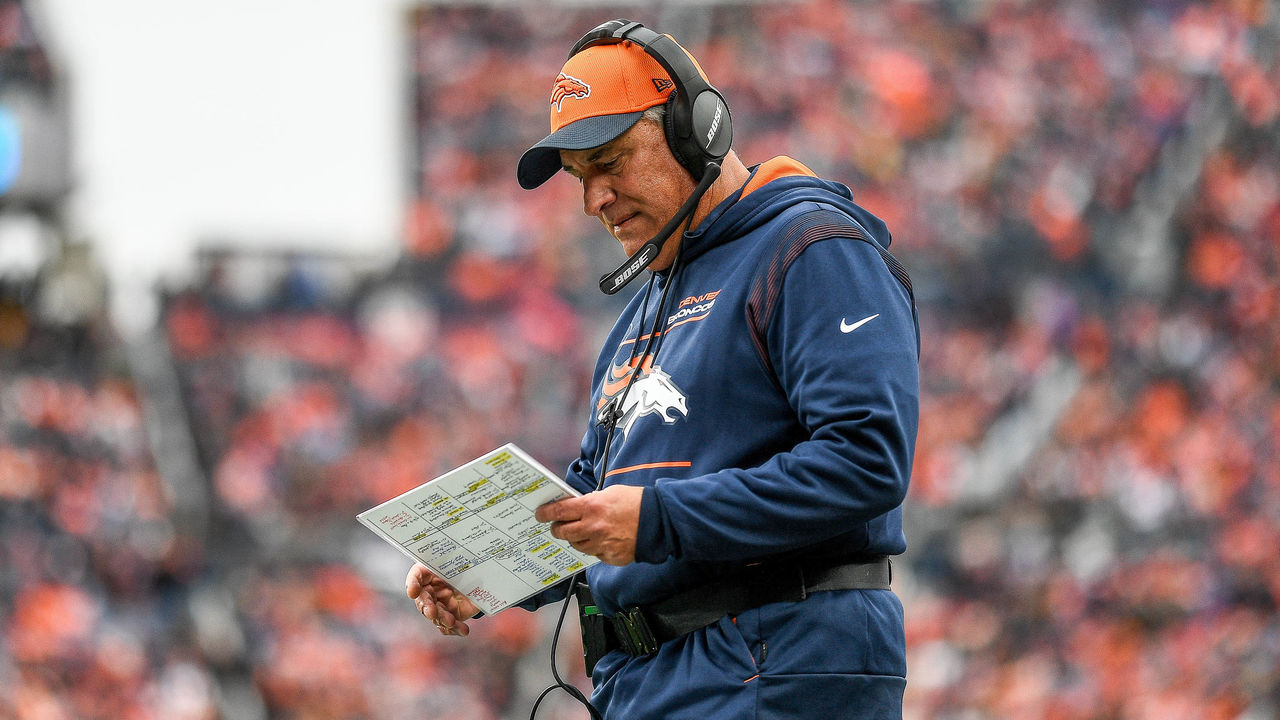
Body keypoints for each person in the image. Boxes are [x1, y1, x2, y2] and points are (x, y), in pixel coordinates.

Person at [407, 19, 919, 720]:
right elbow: (596, 499)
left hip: (774, 667)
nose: (595, 201)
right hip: (653, 681)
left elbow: (866, 460)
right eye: (581, 179)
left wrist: (657, 520)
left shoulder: (812, 248)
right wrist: (487, 571)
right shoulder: (643, 311)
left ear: (694, 130)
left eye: (612, 161)